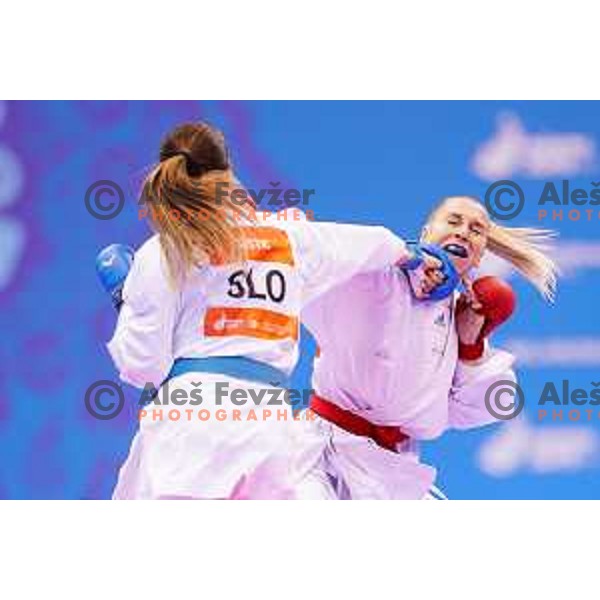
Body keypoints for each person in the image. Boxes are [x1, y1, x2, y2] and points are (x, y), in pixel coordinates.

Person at [104, 122, 450, 499]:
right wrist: (413, 258)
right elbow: (368, 243)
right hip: (268, 429)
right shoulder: (289, 237)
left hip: (189, 428)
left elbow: (142, 365)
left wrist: (126, 300)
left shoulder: (164, 250)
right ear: (229, 172)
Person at [295, 195, 557, 499]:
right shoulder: (375, 277)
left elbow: (499, 404)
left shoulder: (461, 315)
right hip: (322, 456)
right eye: (453, 221)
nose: (462, 232)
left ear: (479, 257)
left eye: (476, 229)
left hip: (391, 468)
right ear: (425, 233)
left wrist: (470, 346)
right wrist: (401, 254)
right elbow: (312, 251)